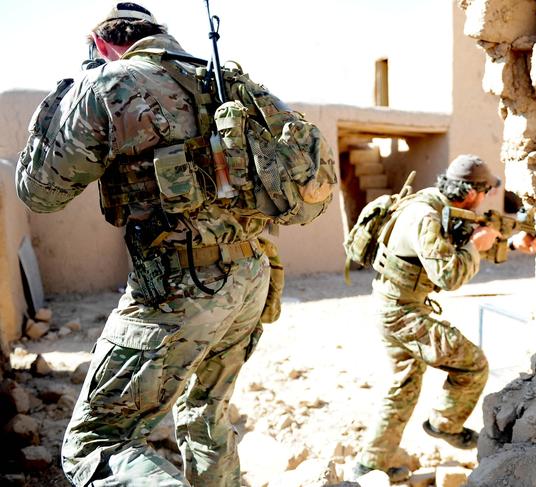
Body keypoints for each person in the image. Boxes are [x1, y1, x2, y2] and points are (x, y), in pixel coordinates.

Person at [16, 3, 333, 486]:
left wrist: (63, 103)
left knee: (97, 443)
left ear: (102, 45)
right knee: (205, 415)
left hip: (178, 288)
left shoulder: (110, 84)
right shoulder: (228, 79)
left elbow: (38, 193)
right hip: (252, 277)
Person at [351, 154, 534, 482]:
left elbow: (456, 244)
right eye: (483, 194)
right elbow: (449, 274)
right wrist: (477, 248)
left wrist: (512, 243)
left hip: (393, 304)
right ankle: (444, 424)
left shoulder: (435, 206)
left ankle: (370, 463)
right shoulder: (425, 217)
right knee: (473, 364)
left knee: (403, 386)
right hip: (401, 312)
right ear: (470, 192)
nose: (483, 203)